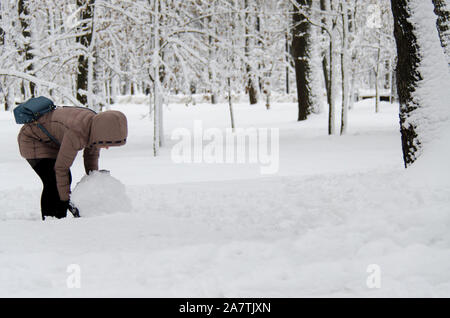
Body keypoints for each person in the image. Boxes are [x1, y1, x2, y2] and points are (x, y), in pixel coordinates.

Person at [17, 105, 128, 220]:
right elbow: (61, 168)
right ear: (103, 134)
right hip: (33, 140)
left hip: (52, 142)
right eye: (107, 143)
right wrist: (66, 200)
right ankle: (52, 220)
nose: (107, 147)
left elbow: (91, 156)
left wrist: (94, 180)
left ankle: (59, 217)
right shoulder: (77, 131)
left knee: (61, 181)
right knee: (53, 180)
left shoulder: (96, 127)